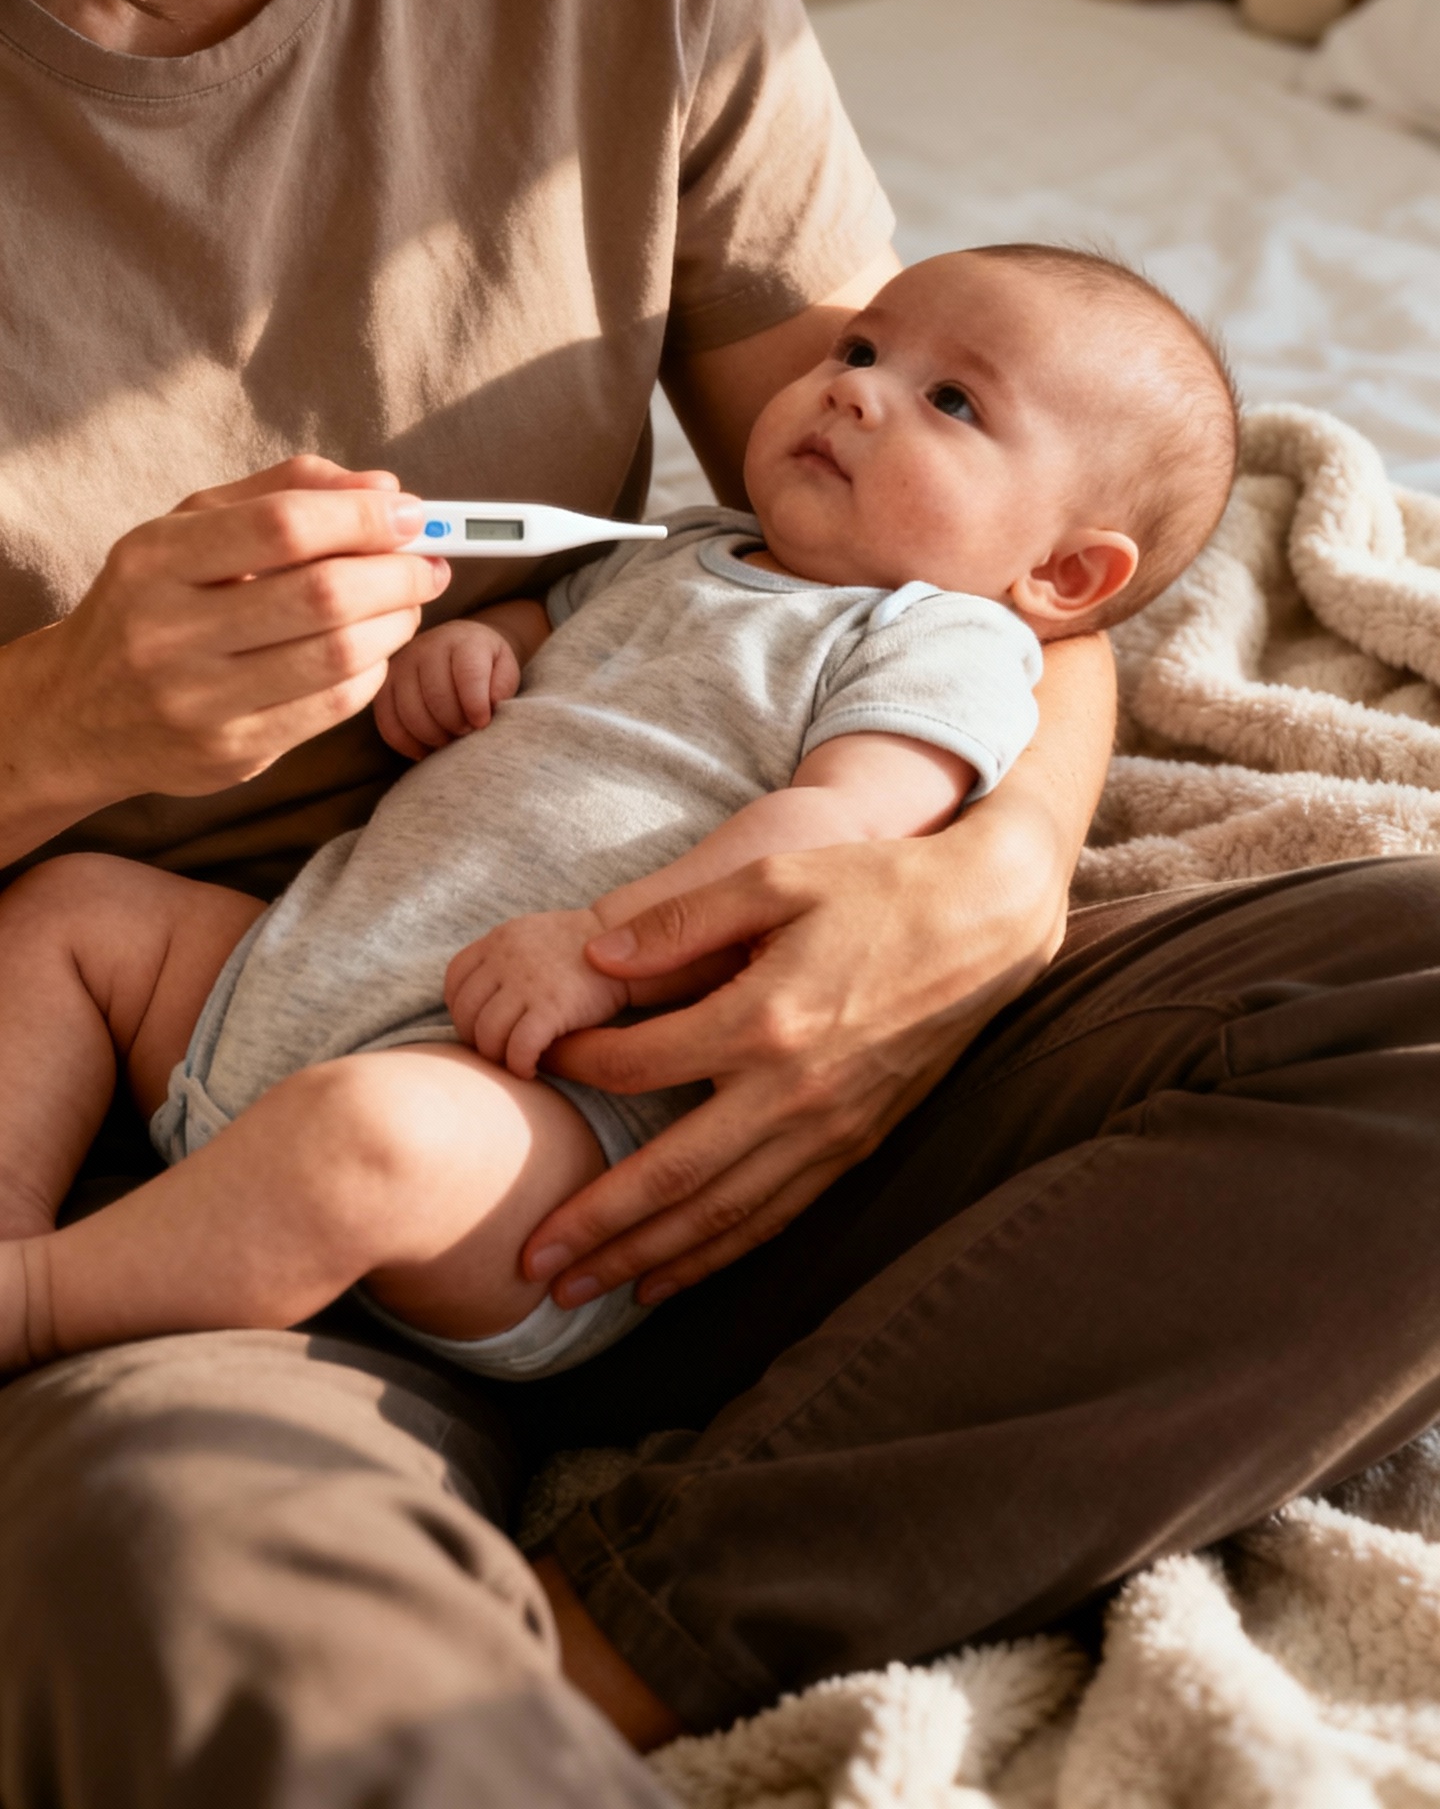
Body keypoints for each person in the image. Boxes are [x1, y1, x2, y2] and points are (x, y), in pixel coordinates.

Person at [1, 0, 1438, 1804]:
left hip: (737, 1072)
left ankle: (626, 1617)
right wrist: (52, 733)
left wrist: (968, 885)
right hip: (249, 1163)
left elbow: (967, 532)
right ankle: (443, 1616)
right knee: (195, 1572)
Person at [0, 247, 1239, 1382]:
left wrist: (608, 944)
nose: (857, 390)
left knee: (361, 1138)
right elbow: (546, 635)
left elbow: (841, 831)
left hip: (518, 1111)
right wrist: (473, 652)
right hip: (293, 973)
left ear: (1066, 575)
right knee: (75, 907)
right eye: (858, 350)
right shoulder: (680, 547)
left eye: (953, 402)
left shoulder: (942, 640)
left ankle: (42, 1301)